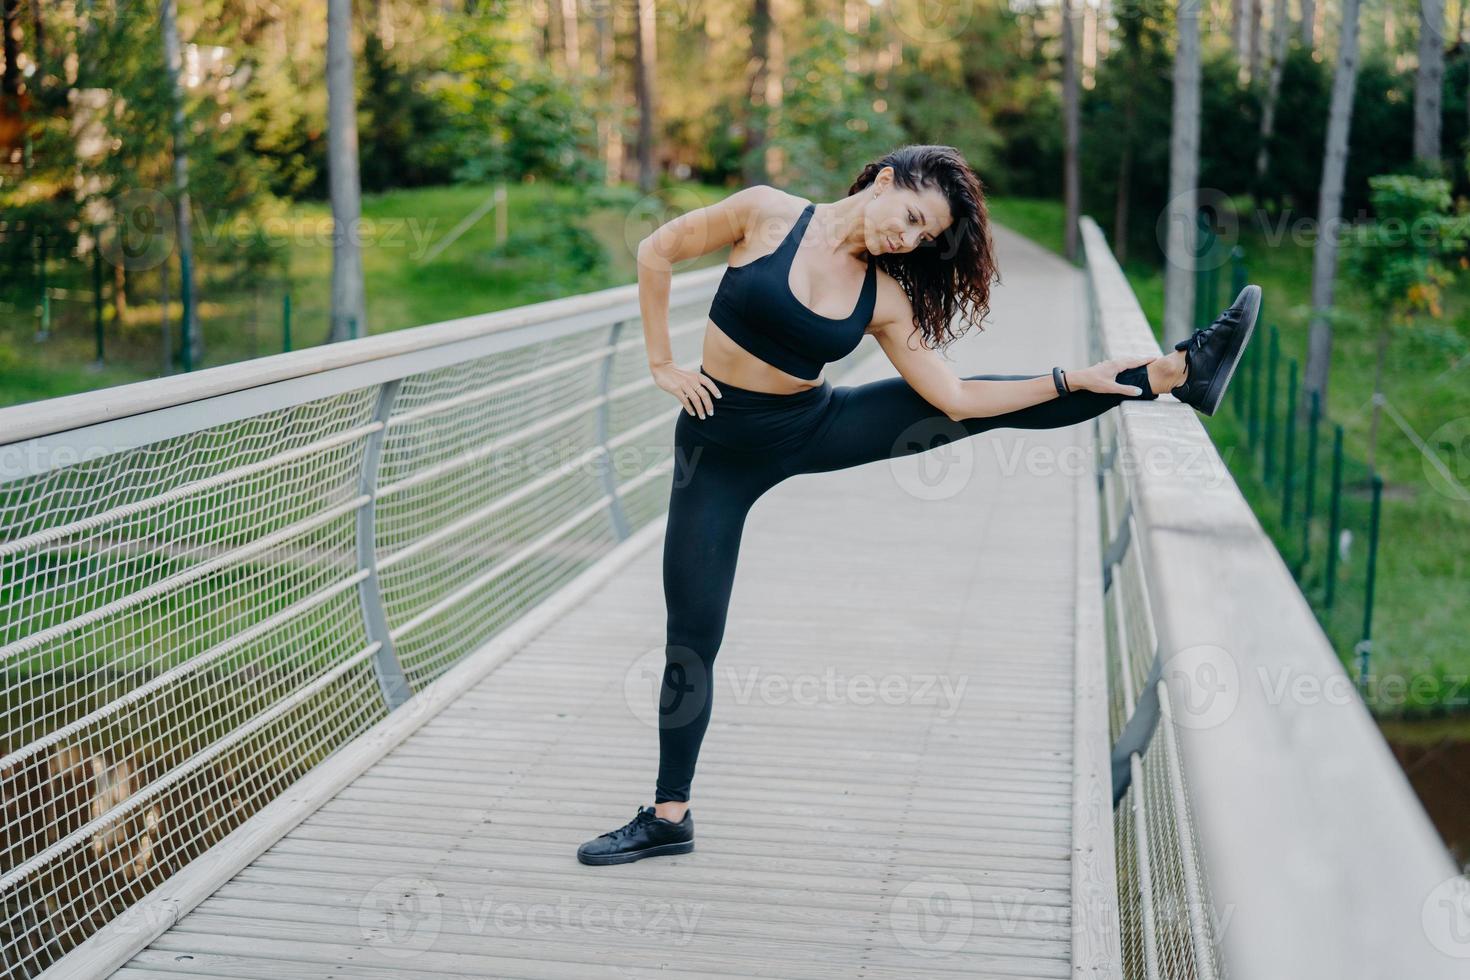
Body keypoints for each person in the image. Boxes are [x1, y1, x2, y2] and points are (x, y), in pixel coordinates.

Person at [576, 144, 1260, 866]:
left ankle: (1173, 373)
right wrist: (661, 363)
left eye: (924, 236)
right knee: (693, 632)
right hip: (714, 451)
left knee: (979, 408)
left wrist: (1074, 378)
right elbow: (658, 250)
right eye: (909, 216)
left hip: (809, 428)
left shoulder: (886, 297)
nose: (908, 238)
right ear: (881, 181)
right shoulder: (765, 214)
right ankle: (669, 816)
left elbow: (958, 398)